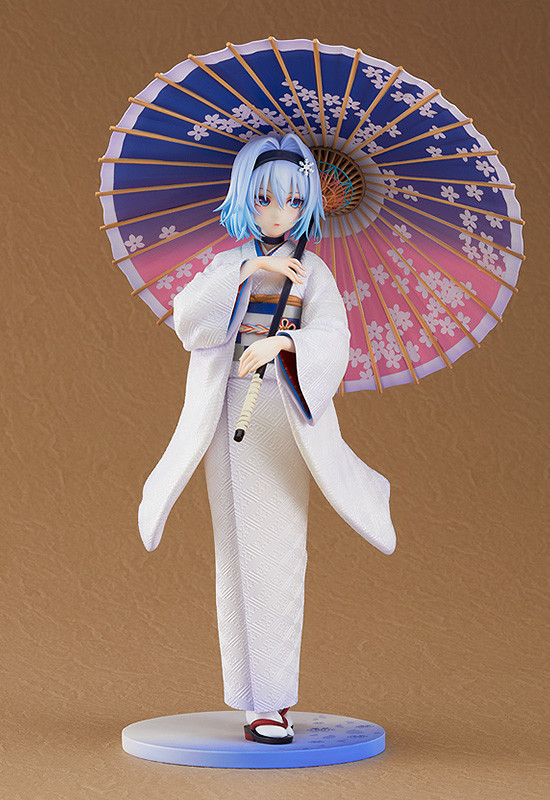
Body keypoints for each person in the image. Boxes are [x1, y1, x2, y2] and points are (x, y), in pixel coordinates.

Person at [138, 133, 397, 744]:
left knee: (276, 550)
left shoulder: (314, 272)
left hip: (281, 412)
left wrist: (285, 342)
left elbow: (333, 339)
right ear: (242, 199)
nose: (278, 214)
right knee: (233, 551)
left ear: (309, 206)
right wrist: (249, 270)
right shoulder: (231, 262)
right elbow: (189, 321)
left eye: (292, 201)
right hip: (226, 410)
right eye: (263, 200)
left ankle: (274, 701)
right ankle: (248, 696)